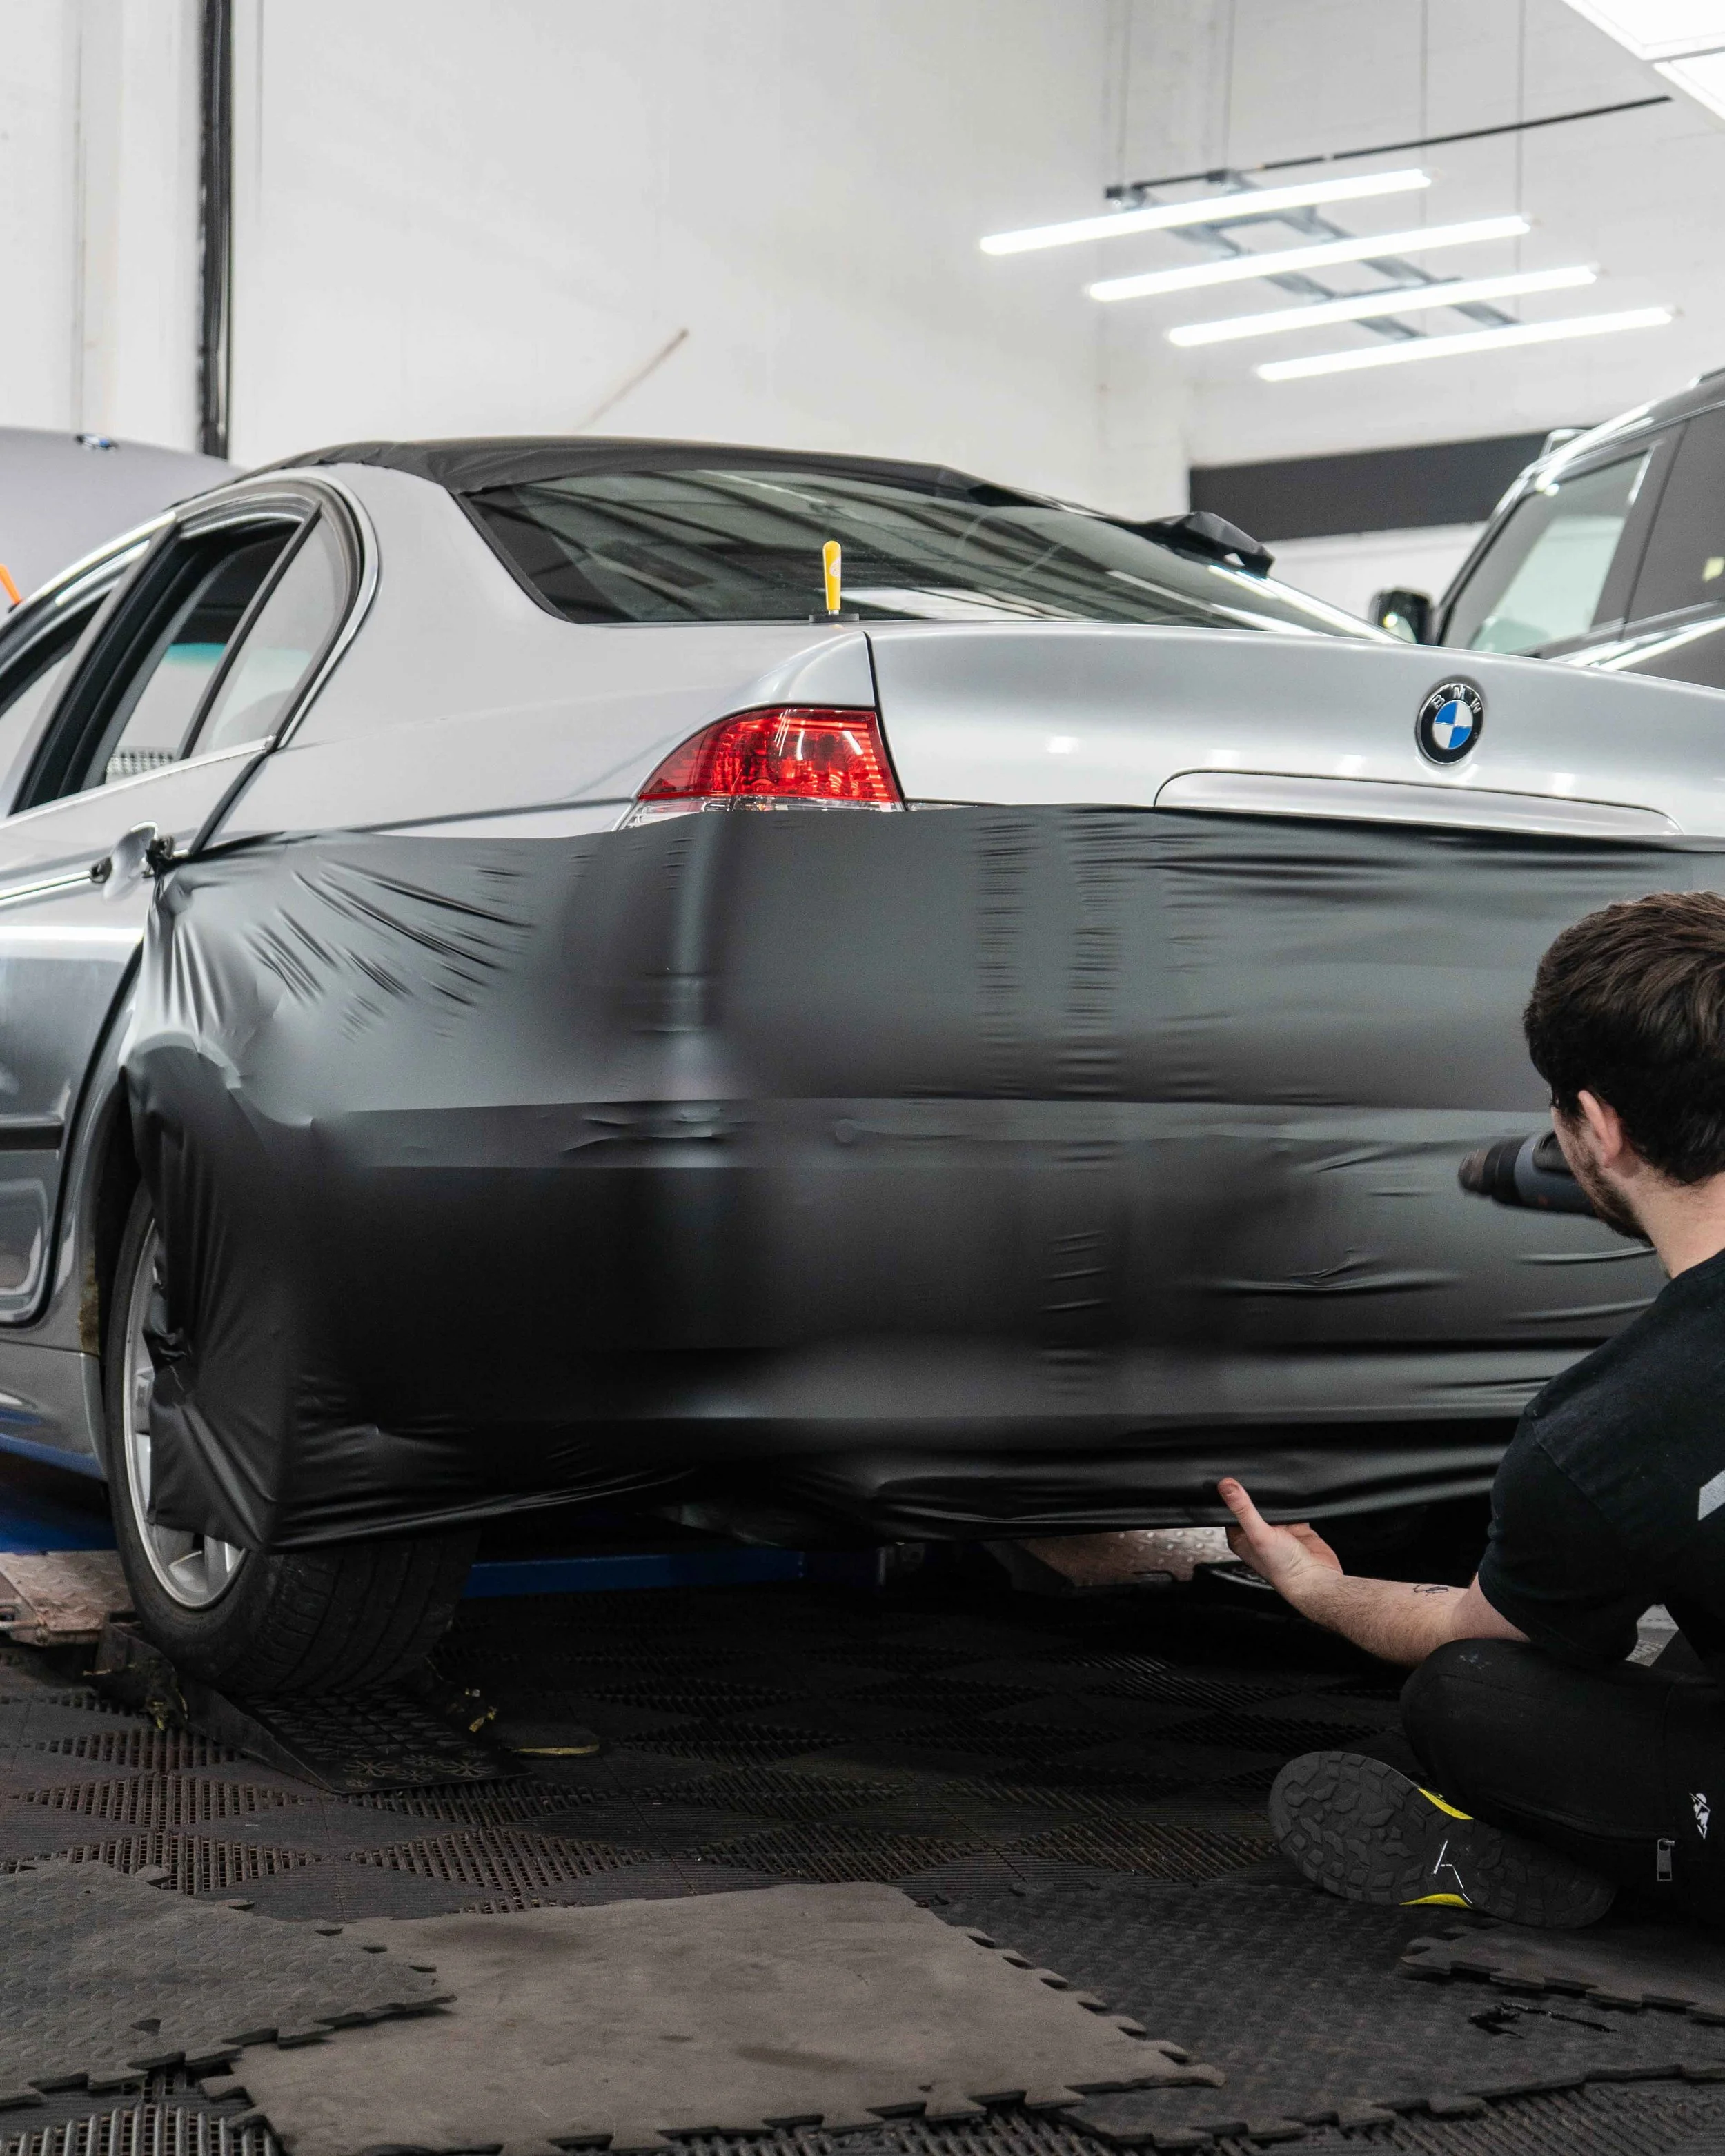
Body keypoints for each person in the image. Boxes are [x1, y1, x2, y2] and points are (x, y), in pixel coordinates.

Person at [1219, 890, 1725, 1929]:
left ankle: (1587, 1858)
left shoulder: (1600, 1433)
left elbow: (1467, 1629)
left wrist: (1321, 1588)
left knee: (1470, 1695)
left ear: (1598, 1125)